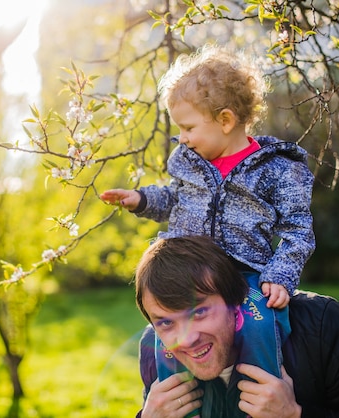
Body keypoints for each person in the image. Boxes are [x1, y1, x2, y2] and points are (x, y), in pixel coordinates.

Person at [101, 43, 315, 400]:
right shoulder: (187, 161)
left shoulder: (277, 169)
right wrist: (141, 200)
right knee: (165, 338)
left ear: (226, 120)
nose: (181, 137)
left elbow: (298, 230)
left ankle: (256, 400)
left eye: (187, 127)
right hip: (188, 270)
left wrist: (279, 275)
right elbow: (173, 198)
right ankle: (178, 401)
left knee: (261, 326)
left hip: (243, 275)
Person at [133, 236, 339, 418]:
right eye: (166, 322)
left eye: (200, 312)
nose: (187, 338)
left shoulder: (323, 327)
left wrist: (295, 416)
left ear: (235, 301)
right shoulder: (155, 353)